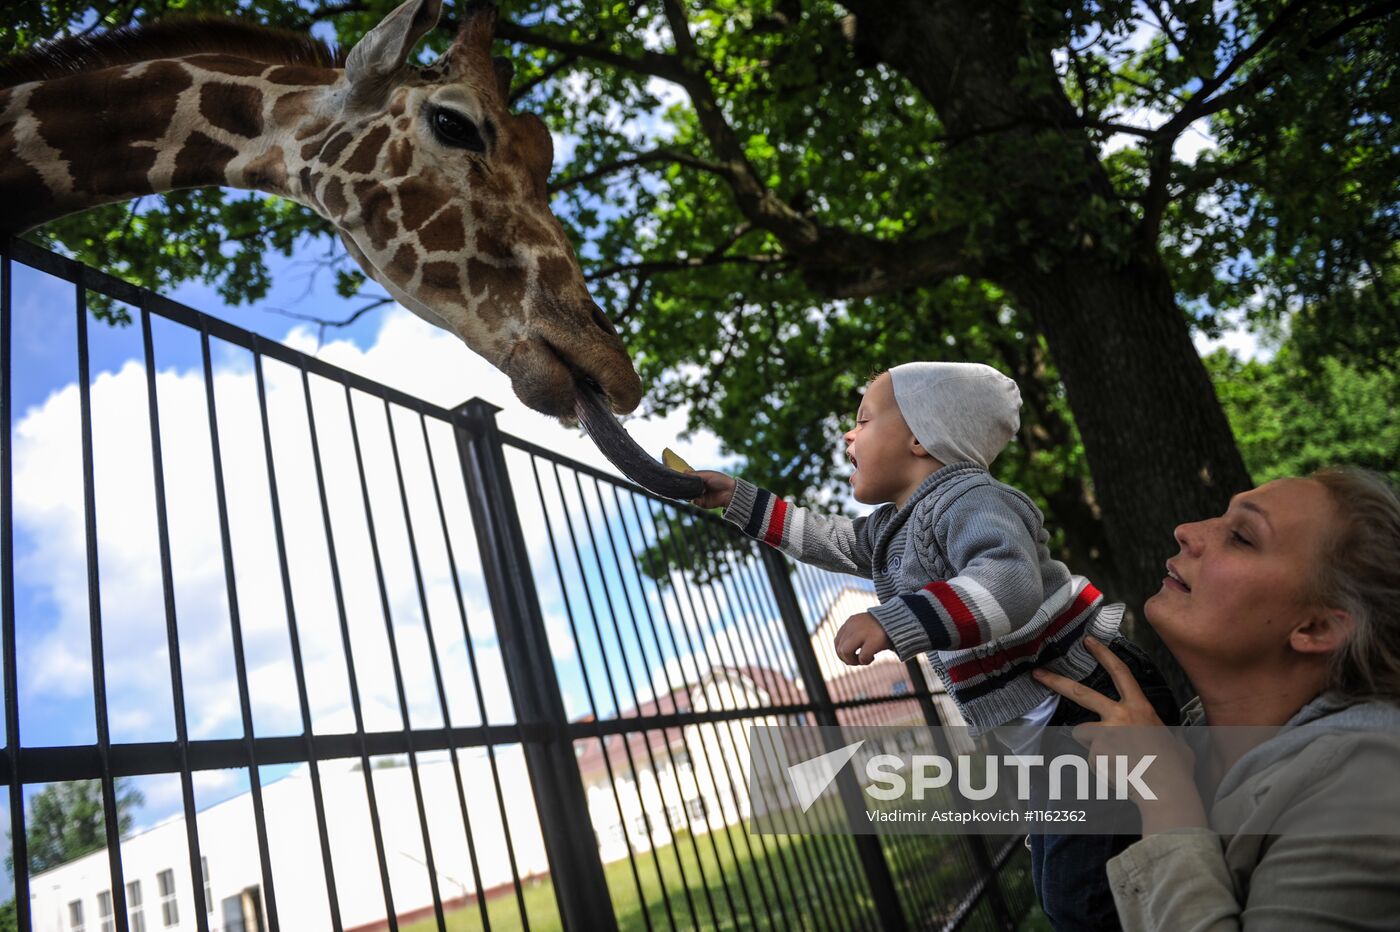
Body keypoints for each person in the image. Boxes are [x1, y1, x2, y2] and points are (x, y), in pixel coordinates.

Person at [688, 361, 1177, 930]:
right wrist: (740, 500)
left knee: (1082, 896)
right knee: (1063, 887)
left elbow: (1008, 581)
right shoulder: (896, 526)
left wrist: (897, 620)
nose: (848, 434)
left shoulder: (969, 498)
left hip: (1094, 701)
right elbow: (831, 536)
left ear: (921, 438)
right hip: (1048, 730)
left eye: (864, 420)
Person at [1033, 467, 1400, 930]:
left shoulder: (1372, 784)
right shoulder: (1184, 737)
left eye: (1243, 537)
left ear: (1317, 628)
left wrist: (1165, 796)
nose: (1186, 531)